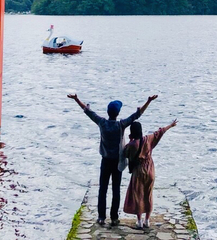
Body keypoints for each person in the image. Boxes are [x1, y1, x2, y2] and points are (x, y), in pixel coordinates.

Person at [67, 93, 158, 226]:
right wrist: (148, 101)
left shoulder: (102, 123)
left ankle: (101, 217)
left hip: (105, 160)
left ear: (108, 112)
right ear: (118, 113)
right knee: (116, 189)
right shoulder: (121, 125)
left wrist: (76, 99)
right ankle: (114, 217)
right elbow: (136, 115)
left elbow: (88, 112)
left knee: (102, 189)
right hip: (117, 162)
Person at [123, 118, 178, 230]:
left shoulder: (132, 145)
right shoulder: (148, 139)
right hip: (150, 170)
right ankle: (147, 220)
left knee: (138, 195)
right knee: (148, 194)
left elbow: (124, 153)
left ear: (132, 132)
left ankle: (139, 221)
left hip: (138, 171)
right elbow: (160, 132)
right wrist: (171, 125)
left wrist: (130, 140)